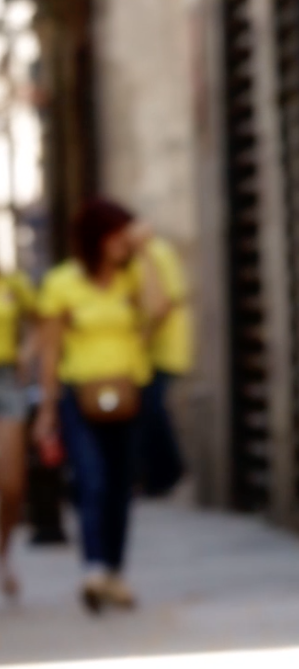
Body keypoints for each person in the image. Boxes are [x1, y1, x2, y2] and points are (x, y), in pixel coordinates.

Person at [34, 199, 169, 613]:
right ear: (98, 237)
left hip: (131, 393)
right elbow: (51, 350)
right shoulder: (62, 283)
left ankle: (115, 572)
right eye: (118, 234)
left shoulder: (132, 279)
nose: (123, 242)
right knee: (91, 481)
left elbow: (159, 309)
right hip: (80, 396)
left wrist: (145, 252)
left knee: (120, 486)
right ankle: (93, 568)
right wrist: (47, 407)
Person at [132, 227, 189, 496]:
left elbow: (164, 305)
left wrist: (141, 339)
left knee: (151, 409)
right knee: (147, 410)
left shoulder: (158, 252)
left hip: (162, 351)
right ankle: (157, 475)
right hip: (144, 354)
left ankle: (167, 473)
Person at [0, 264, 36, 602]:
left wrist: (26, 352)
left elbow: (40, 321)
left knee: (12, 485)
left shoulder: (13, 281)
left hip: (6, 378)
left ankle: (4, 552)